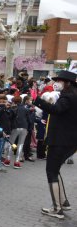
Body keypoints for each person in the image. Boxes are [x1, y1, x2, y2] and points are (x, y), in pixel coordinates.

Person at [33, 70, 77, 218]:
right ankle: (63, 202)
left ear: (68, 83)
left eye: (60, 80)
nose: (56, 83)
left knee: (51, 171)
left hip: (60, 140)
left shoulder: (68, 96)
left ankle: (57, 208)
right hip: (68, 140)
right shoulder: (73, 95)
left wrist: (39, 101)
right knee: (55, 170)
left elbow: (56, 110)